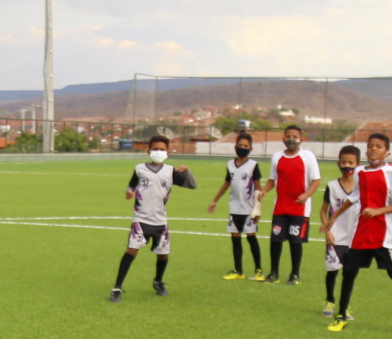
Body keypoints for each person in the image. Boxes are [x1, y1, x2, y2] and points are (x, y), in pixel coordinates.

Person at [327, 131, 392, 334]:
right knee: (349, 272)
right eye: (370, 145)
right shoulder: (360, 171)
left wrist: (378, 211)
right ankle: (342, 314)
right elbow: (354, 197)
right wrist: (334, 217)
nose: (373, 149)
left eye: (378, 146)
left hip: (383, 233)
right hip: (362, 232)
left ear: (387, 152)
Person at [110, 135, 197, 302]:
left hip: (160, 222)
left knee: (163, 255)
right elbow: (131, 185)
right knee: (131, 250)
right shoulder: (140, 169)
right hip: (141, 219)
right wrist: (129, 191)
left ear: (168, 152)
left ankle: (158, 282)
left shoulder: (171, 172)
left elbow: (193, 185)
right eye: (155, 149)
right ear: (148, 151)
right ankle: (117, 288)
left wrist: (187, 172)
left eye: (162, 149)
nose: (159, 152)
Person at [260, 124, 321, 285]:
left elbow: (316, 180)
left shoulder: (307, 156)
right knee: (276, 240)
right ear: (283, 138)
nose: (291, 139)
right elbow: (273, 179)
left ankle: (295, 274)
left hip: (300, 208)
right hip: (280, 206)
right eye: (288, 136)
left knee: (295, 241)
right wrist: (265, 190)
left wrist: (306, 195)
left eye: (295, 136)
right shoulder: (277, 157)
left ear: (301, 139)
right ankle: (274, 273)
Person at [205, 130, 265, 280]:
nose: (242, 147)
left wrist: (257, 209)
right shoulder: (230, 165)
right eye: (240, 145)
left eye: (246, 145)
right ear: (235, 146)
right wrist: (215, 200)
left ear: (250, 148)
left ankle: (258, 270)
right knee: (235, 238)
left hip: (249, 209)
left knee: (251, 237)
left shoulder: (253, 165)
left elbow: (258, 187)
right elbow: (227, 183)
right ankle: (238, 271)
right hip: (234, 208)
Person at [319, 145, 361, 318]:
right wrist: (327, 230)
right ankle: (329, 300)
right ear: (338, 164)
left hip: (355, 239)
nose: (347, 166)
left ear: (358, 164)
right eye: (344, 162)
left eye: (351, 163)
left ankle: (345, 305)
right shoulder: (332, 186)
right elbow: (323, 211)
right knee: (332, 270)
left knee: (349, 274)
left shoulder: (362, 187)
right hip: (335, 237)